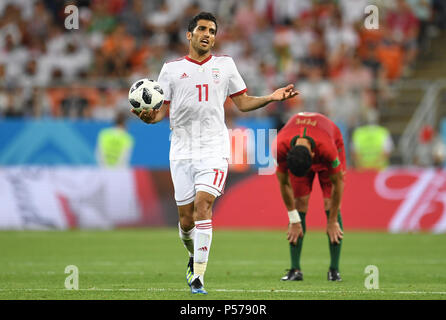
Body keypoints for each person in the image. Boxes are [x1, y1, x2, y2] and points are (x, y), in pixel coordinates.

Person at [132, 12, 298, 294]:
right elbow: (161, 111)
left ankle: (198, 277)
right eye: (202, 29)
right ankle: (191, 255)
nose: (208, 34)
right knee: (186, 221)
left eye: (212, 30)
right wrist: (149, 118)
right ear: (189, 35)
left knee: (203, 206)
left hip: (214, 149)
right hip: (181, 150)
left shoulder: (225, 65)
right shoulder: (170, 70)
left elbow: (242, 102)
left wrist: (271, 97)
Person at [273, 112, 345, 282]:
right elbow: (283, 183)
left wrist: (333, 220)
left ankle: (334, 270)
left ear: (313, 156)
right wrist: (293, 219)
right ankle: (295, 270)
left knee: (330, 204)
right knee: (300, 205)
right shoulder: (280, 147)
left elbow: (338, 183)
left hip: (331, 141)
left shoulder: (328, 149)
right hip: (303, 147)